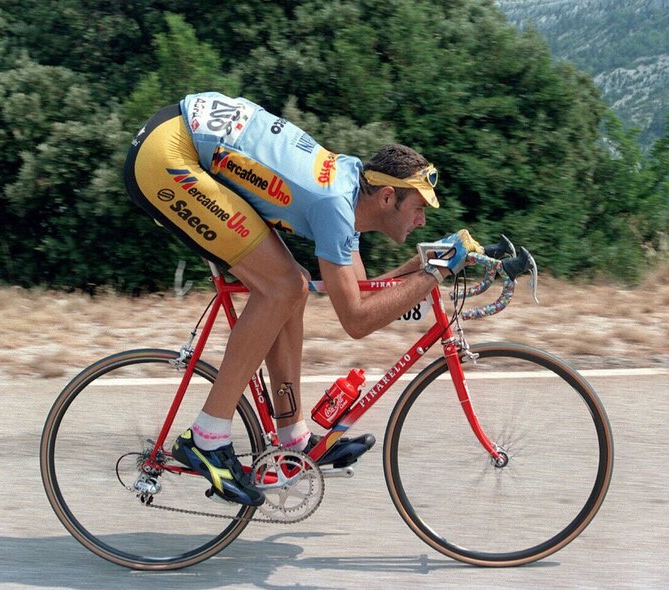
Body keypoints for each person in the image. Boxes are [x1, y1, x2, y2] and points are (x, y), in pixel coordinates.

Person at [124, 92, 480, 506]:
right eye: (418, 208)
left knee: (291, 284)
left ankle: (293, 441)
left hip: (182, 137)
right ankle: (207, 436)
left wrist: (423, 267)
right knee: (283, 287)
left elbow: (361, 292)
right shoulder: (334, 206)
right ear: (387, 198)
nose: (422, 220)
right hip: (166, 156)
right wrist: (436, 274)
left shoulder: (348, 188)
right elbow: (357, 320)